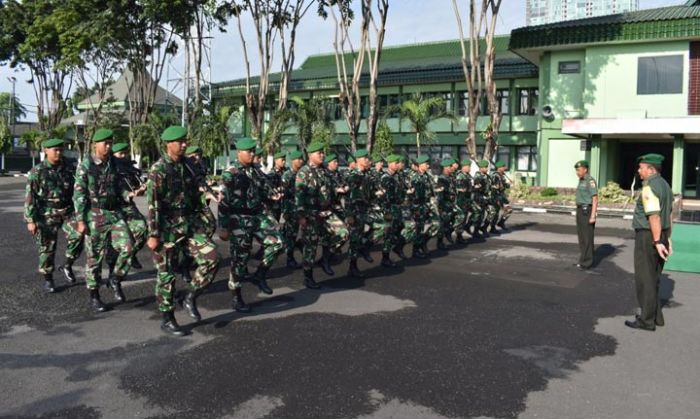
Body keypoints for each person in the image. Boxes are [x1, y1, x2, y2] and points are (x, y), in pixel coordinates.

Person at [146, 126, 219, 336]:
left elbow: (197, 194)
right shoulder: (158, 169)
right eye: (180, 142)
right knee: (166, 274)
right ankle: (167, 318)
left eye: (185, 141)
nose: (184, 144)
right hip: (167, 228)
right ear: (168, 144)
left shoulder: (189, 165)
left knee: (211, 257)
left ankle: (190, 296)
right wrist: (153, 233)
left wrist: (205, 218)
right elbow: (153, 204)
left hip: (189, 224)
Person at [219, 138, 284, 312]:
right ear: (239, 152)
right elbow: (223, 201)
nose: (253, 154)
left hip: (257, 216)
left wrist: (272, 196)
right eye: (250, 151)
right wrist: (223, 226)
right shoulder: (230, 173)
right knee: (239, 260)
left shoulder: (255, 171)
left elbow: (263, 189)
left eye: (254, 151)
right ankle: (236, 296)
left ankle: (260, 275)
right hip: (239, 218)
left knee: (277, 243)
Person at [74, 128, 133, 311]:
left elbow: (119, 186)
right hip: (95, 215)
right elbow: (79, 194)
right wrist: (81, 220)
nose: (108, 146)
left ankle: (115, 278)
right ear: (96, 145)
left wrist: (128, 194)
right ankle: (94, 295)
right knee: (95, 258)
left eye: (110, 143)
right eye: (105, 143)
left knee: (128, 246)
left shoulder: (115, 163)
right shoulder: (86, 165)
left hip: (114, 213)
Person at [24, 138, 84, 293]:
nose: (59, 152)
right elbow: (30, 197)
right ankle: (48, 279)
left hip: (67, 211)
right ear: (46, 151)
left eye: (60, 150)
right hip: (46, 214)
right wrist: (31, 220)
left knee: (79, 234)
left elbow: (79, 187)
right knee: (47, 248)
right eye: (55, 150)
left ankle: (67, 264)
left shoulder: (70, 167)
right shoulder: (37, 172)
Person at [625, 153, 673, 332]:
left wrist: (657, 241)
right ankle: (656, 317)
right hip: (662, 234)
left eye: (641, 167)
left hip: (649, 237)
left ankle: (646, 321)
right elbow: (668, 214)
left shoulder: (649, 187)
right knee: (654, 278)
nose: (639, 171)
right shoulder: (665, 185)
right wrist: (667, 238)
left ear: (651, 169)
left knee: (645, 279)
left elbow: (653, 216)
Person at [295, 142, 341, 287]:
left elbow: (331, 190)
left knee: (343, 233)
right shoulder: (304, 172)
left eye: (323, 152)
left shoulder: (325, 171)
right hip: (311, 213)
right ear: (310, 155)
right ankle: (308, 277)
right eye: (318, 153)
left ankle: (325, 259)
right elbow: (299, 195)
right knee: (311, 246)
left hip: (327, 212)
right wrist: (302, 216)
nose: (322, 155)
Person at [106, 142, 147, 278]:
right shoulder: (109, 168)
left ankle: (132, 255)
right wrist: (127, 194)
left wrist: (140, 190)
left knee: (142, 229)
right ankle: (113, 272)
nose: (123, 156)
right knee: (114, 244)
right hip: (111, 208)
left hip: (127, 206)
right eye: (120, 154)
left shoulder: (129, 168)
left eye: (125, 153)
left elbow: (136, 186)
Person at [344, 149, 374, 277]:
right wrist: (349, 214)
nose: (368, 160)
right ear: (359, 161)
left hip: (364, 210)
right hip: (355, 212)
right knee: (354, 240)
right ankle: (352, 266)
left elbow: (368, 195)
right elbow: (348, 198)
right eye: (365, 158)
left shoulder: (365, 176)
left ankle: (364, 248)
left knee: (378, 227)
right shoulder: (353, 177)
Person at [281, 150, 305, 269]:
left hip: (302, 207)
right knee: (291, 233)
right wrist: (285, 211)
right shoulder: (287, 175)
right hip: (291, 207)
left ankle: (300, 245)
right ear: (293, 161)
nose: (301, 161)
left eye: (301, 159)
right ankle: (289, 258)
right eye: (298, 159)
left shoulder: (304, 174)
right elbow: (284, 194)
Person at [574, 160, 598, 270]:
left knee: (587, 237)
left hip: (587, 211)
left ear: (585, 169)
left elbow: (595, 198)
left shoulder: (590, 180)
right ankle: (583, 259)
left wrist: (593, 215)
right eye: (576, 170)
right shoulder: (581, 180)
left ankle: (587, 262)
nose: (577, 172)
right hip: (580, 210)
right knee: (582, 237)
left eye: (579, 170)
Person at [490, 160, 512, 232]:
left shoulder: (502, 175)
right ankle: (492, 228)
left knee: (509, 210)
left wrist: (509, 184)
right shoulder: (495, 176)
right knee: (495, 212)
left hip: (502, 195)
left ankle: (501, 223)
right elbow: (493, 187)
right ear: (499, 168)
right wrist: (496, 198)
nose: (505, 168)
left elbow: (504, 185)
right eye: (503, 167)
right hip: (497, 196)